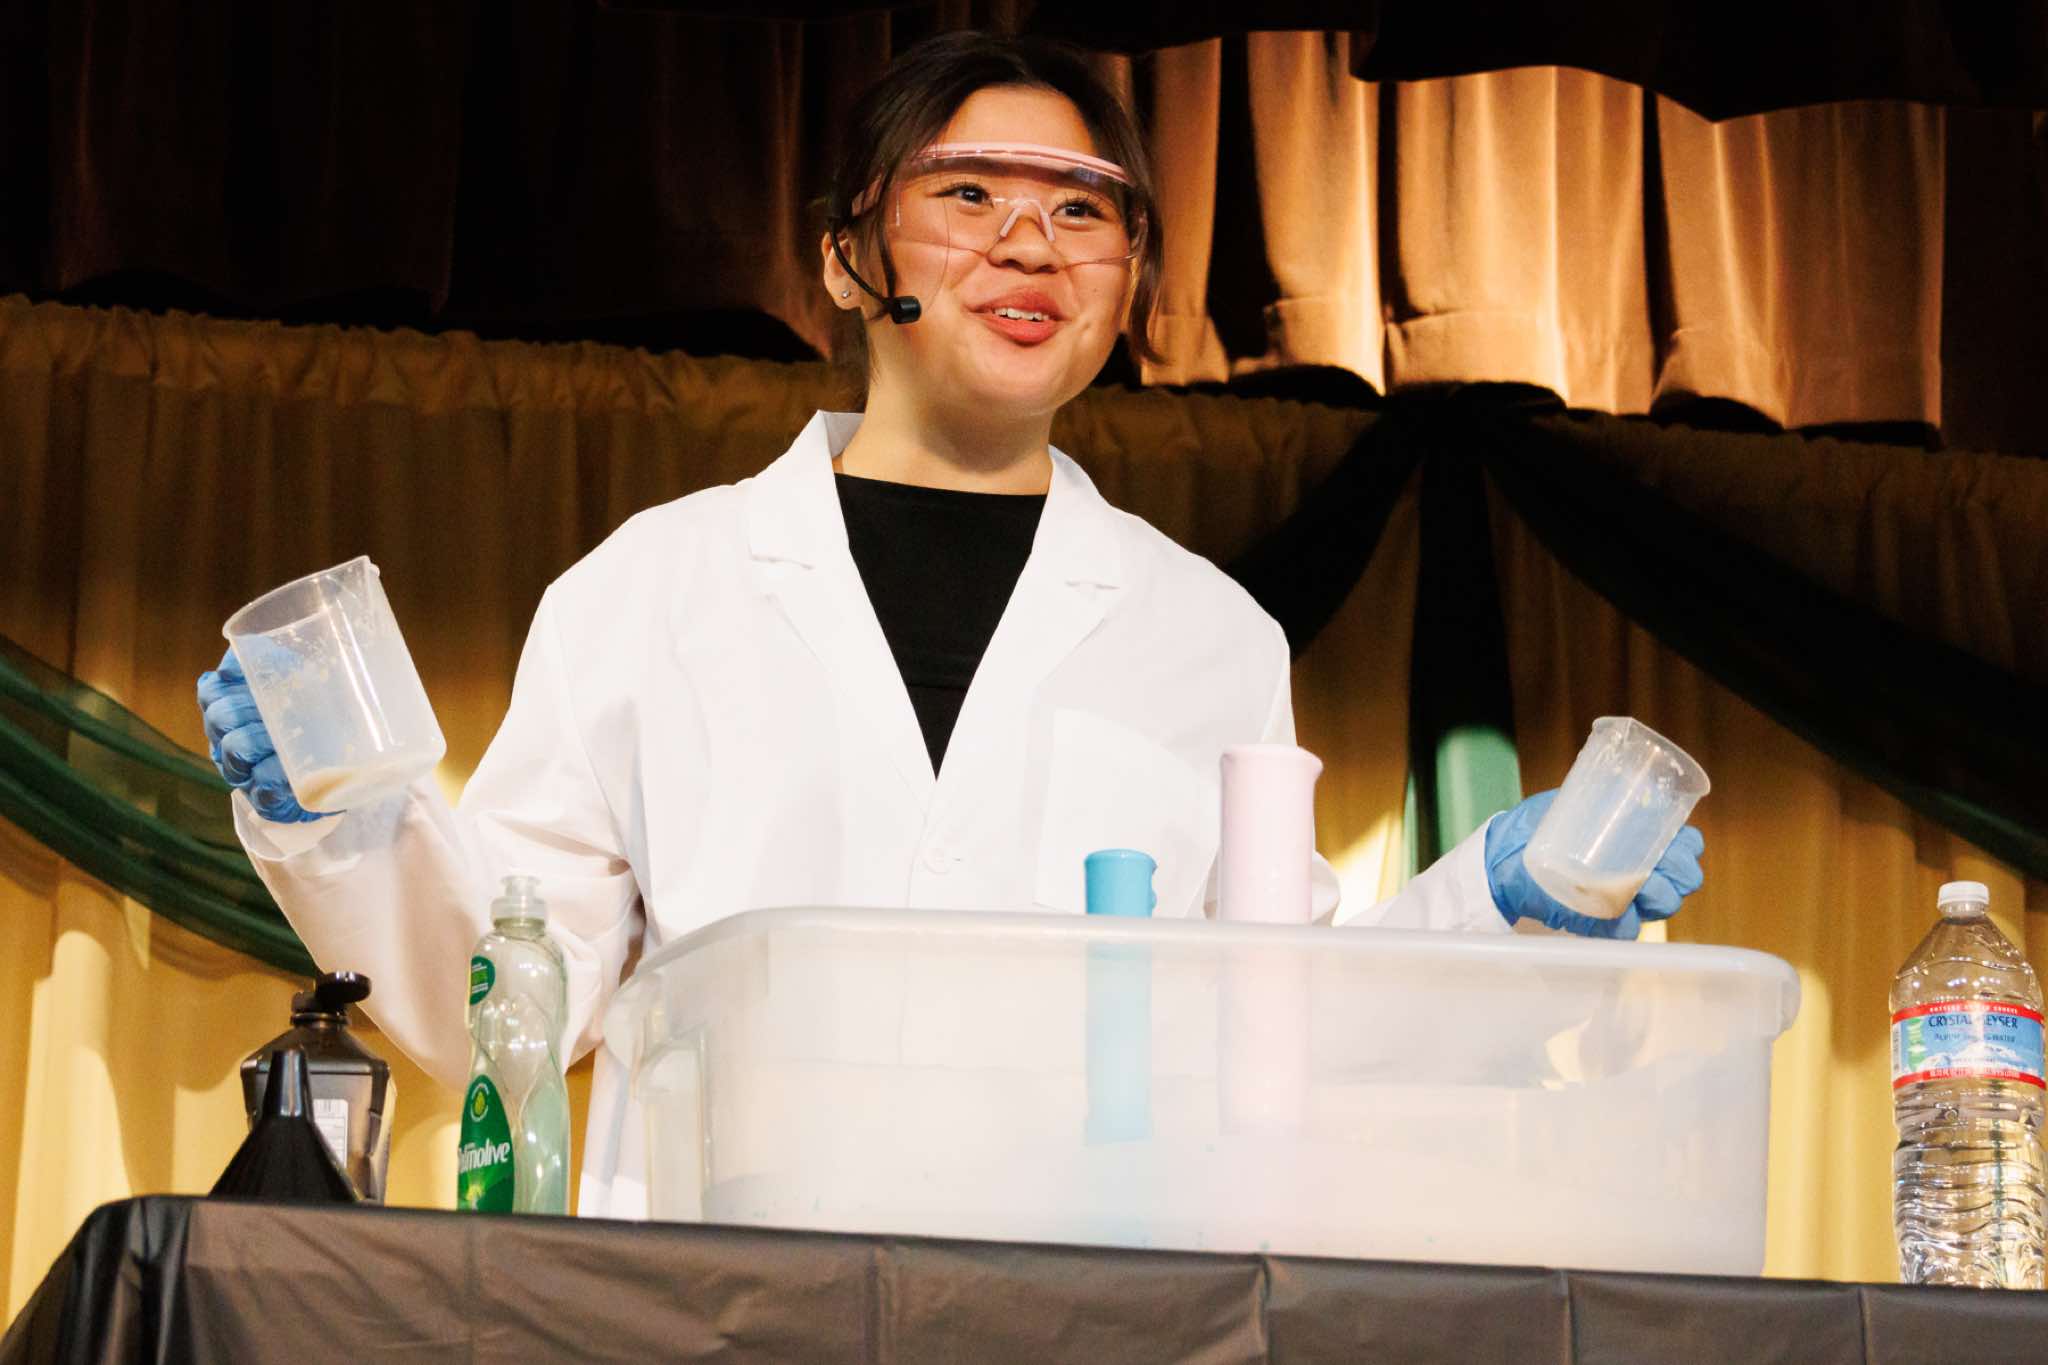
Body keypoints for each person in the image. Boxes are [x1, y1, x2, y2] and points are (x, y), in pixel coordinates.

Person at [197, 32, 1703, 1218]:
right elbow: (510, 1005)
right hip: (718, 1305)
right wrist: (349, 821)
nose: (1031, 244)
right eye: (970, 195)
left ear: (1128, 282)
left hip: (1078, 1306)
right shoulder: (651, 588)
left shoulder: (1209, 636)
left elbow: (1275, 1034)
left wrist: (1501, 906)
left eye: (1084, 210)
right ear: (850, 252)